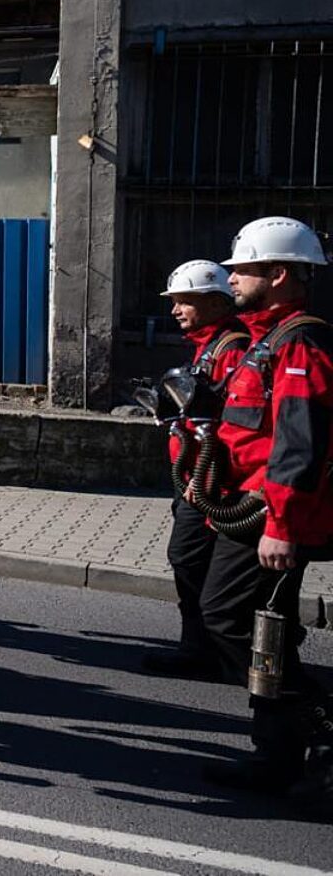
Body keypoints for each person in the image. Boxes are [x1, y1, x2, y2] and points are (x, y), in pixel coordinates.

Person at [198, 216, 333, 800]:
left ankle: (314, 723)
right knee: (259, 631)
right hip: (250, 509)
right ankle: (276, 757)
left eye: (242, 268)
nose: (231, 278)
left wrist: (280, 525)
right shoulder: (267, 338)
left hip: (272, 519)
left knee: (228, 618)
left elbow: (300, 443)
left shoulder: (301, 341)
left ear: (278, 274)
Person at [141, 260, 248, 679]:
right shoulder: (210, 345)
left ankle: (209, 649)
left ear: (215, 301)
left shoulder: (232, 348)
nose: (174, 310)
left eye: (184, 300)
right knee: (190, 562)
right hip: (195, 480)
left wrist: (202, 481)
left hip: (209, 486)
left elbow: (230, 425)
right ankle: (204, 646)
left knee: (189, 559)